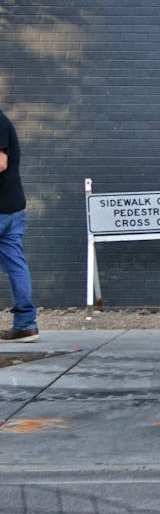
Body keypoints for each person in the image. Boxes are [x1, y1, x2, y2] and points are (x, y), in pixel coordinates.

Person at [0, 108, 38, 342]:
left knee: (16, 264)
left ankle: (26, 323)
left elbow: (0, 162)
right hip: (12, 207)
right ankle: (25, 325)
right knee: (16, 264)